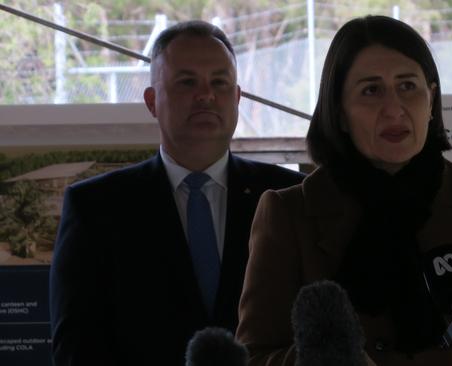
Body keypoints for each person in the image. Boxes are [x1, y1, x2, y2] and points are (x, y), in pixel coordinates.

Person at [236, 15, 452, 366]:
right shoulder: (288, 213)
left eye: (407, 86)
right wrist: (322, 358)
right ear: (339, 111)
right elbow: (252, 357)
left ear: (431, 100)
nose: (394, 108)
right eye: (371, 90)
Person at [49, 20, 304, 366]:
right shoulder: (96, 208)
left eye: (219, 82)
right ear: (152, 101)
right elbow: (75, 348)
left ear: (238, 97)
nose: (206, 95)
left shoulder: (287, 196)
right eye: (187, 82)